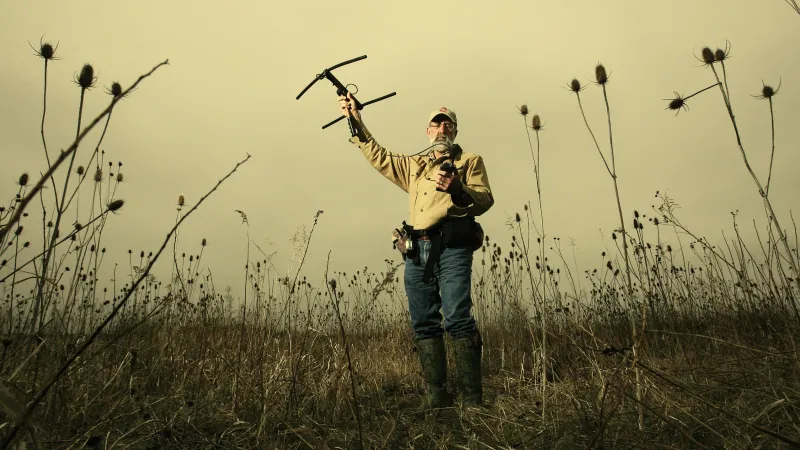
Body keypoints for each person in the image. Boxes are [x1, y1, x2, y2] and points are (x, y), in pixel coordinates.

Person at [338, 93, 495, 408]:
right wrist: (354, 118)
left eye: (447, 125)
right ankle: (438, 397)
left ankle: (472, 400)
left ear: (454, 131)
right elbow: (377, 154)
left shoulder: (469, 161)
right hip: (417, 249)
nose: (441, 130)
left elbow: (484, 199)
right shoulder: (414, 166)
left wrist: (457, 188)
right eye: (435, 125)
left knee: (457, 318)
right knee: (423, 321)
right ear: (428, 132)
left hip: (453, 246)